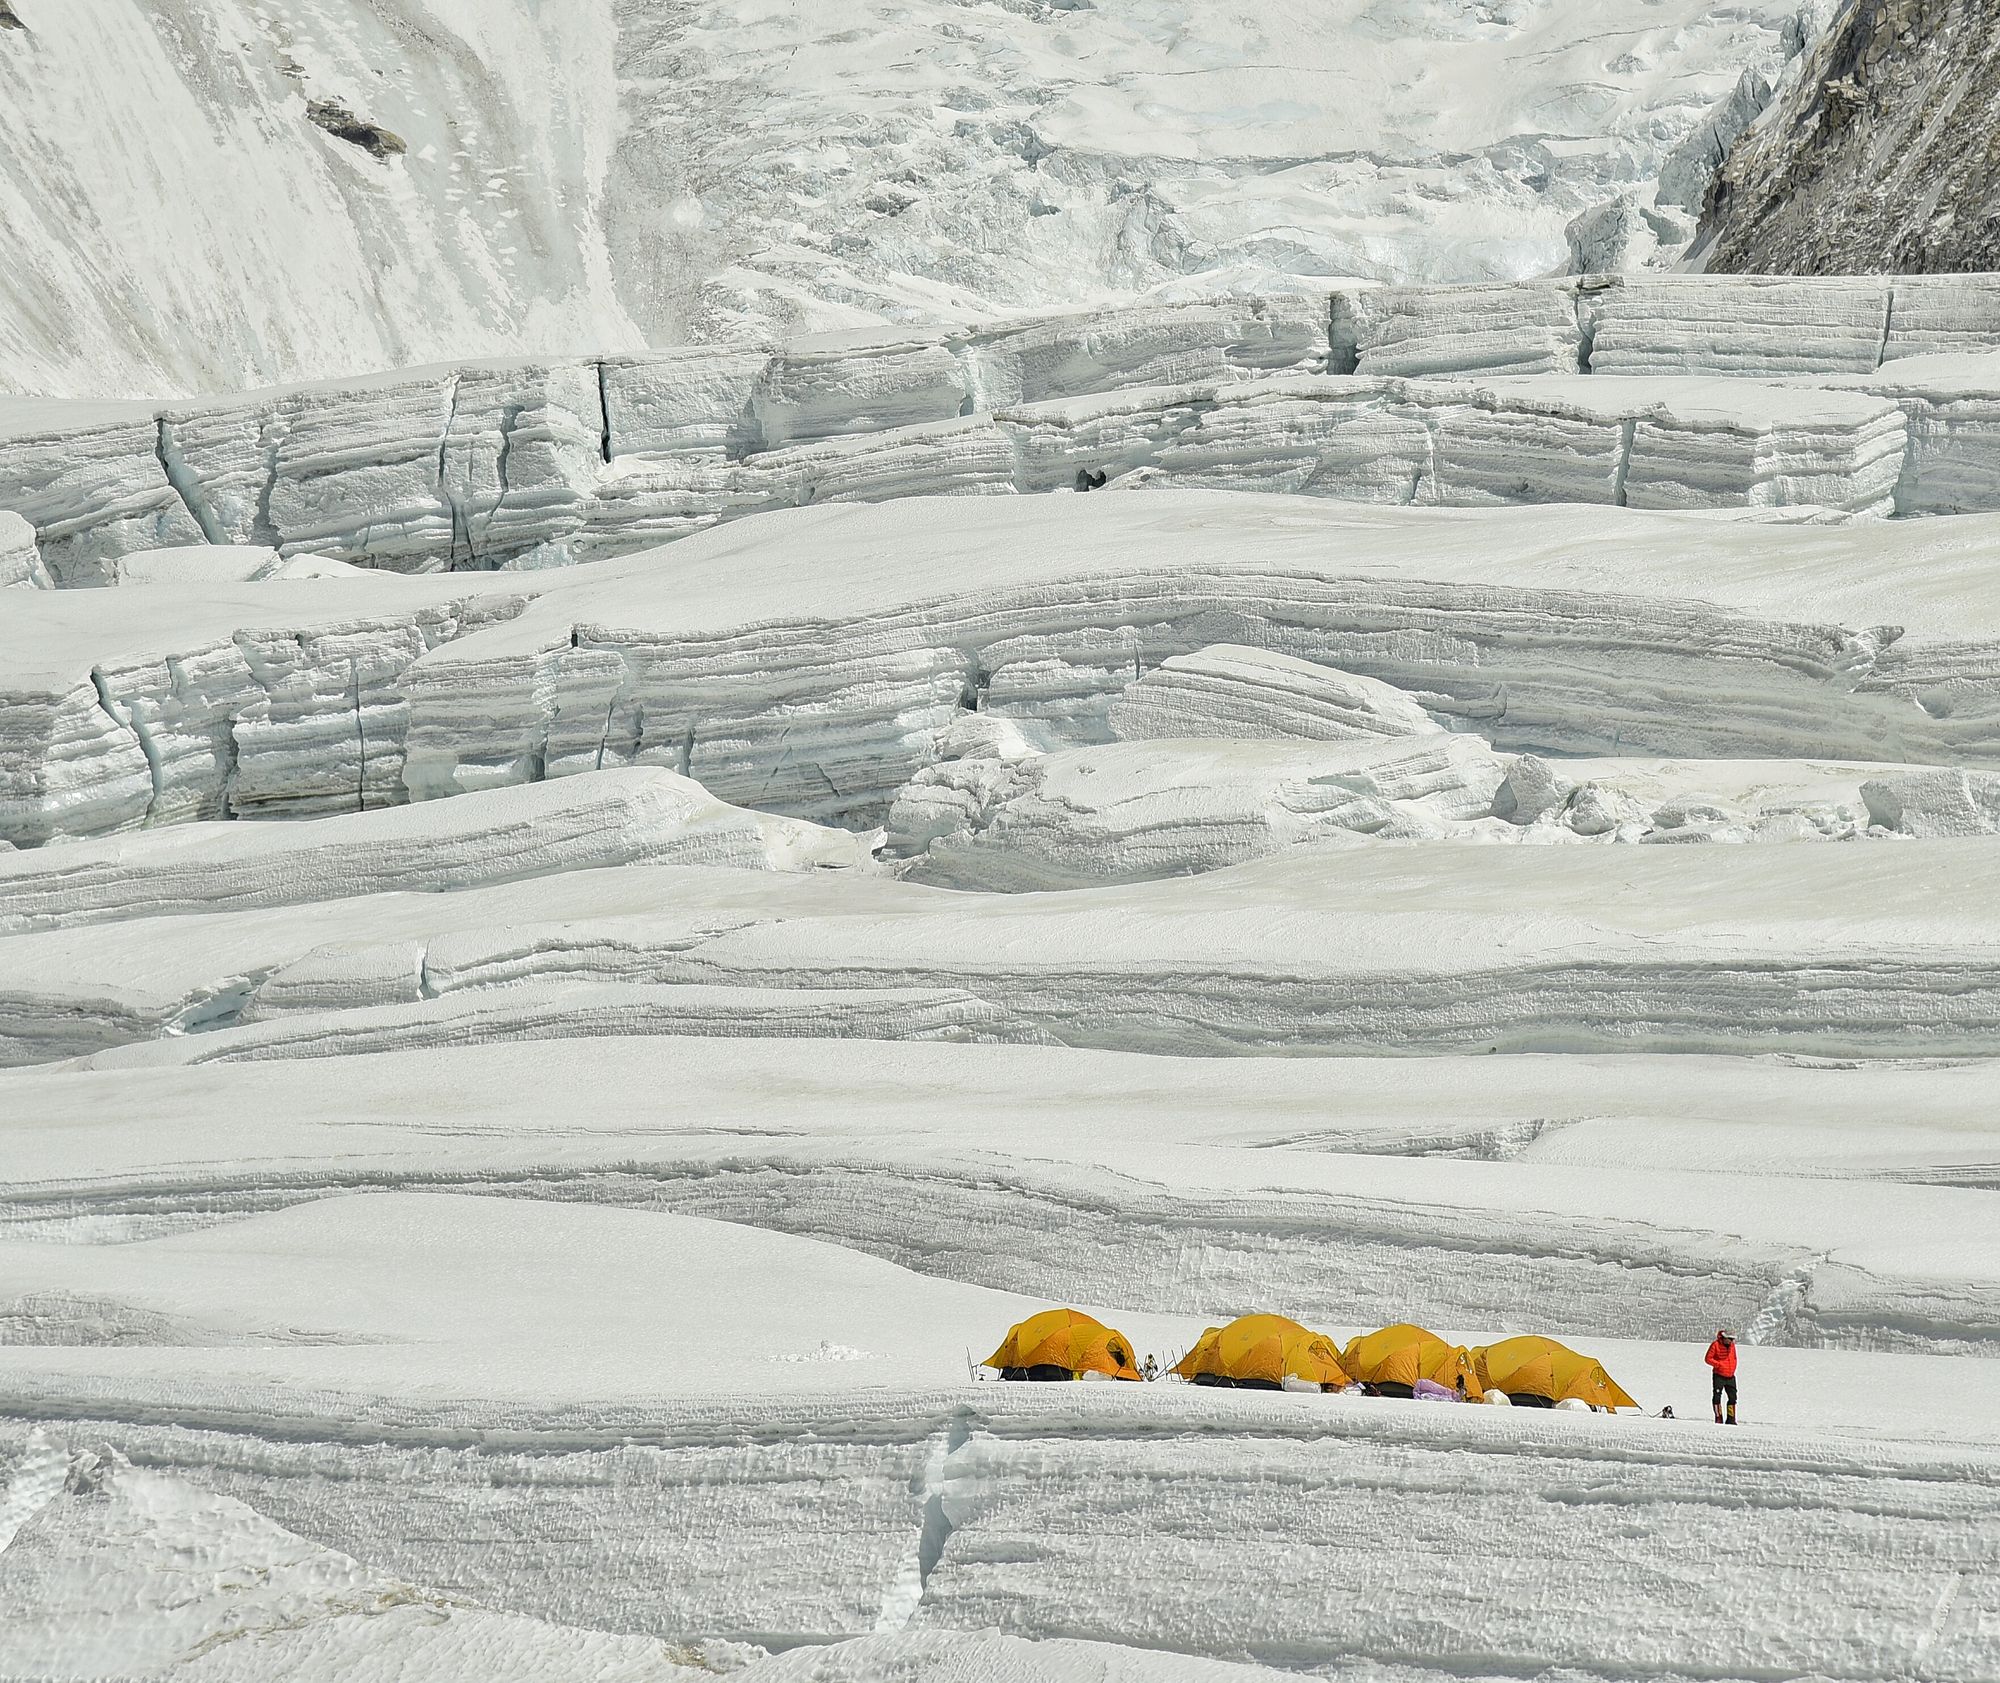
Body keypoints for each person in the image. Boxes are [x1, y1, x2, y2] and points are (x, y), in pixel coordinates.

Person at [1704, 1329, 1738, 1424]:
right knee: (1717, 1397)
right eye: (1730, 1339)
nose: (1731, 1341)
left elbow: (1734, 1358)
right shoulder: (1715, 1345)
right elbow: (1708, 1359)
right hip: (1719, 1375)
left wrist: (1733, 1367)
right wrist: (1719, 1365)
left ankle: (1731, 1419)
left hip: (1730, 1375)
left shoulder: (1732, 1346)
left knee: (1732, 1397)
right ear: (1724, 1338)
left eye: (1733, 1339)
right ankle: (1718, 1418)